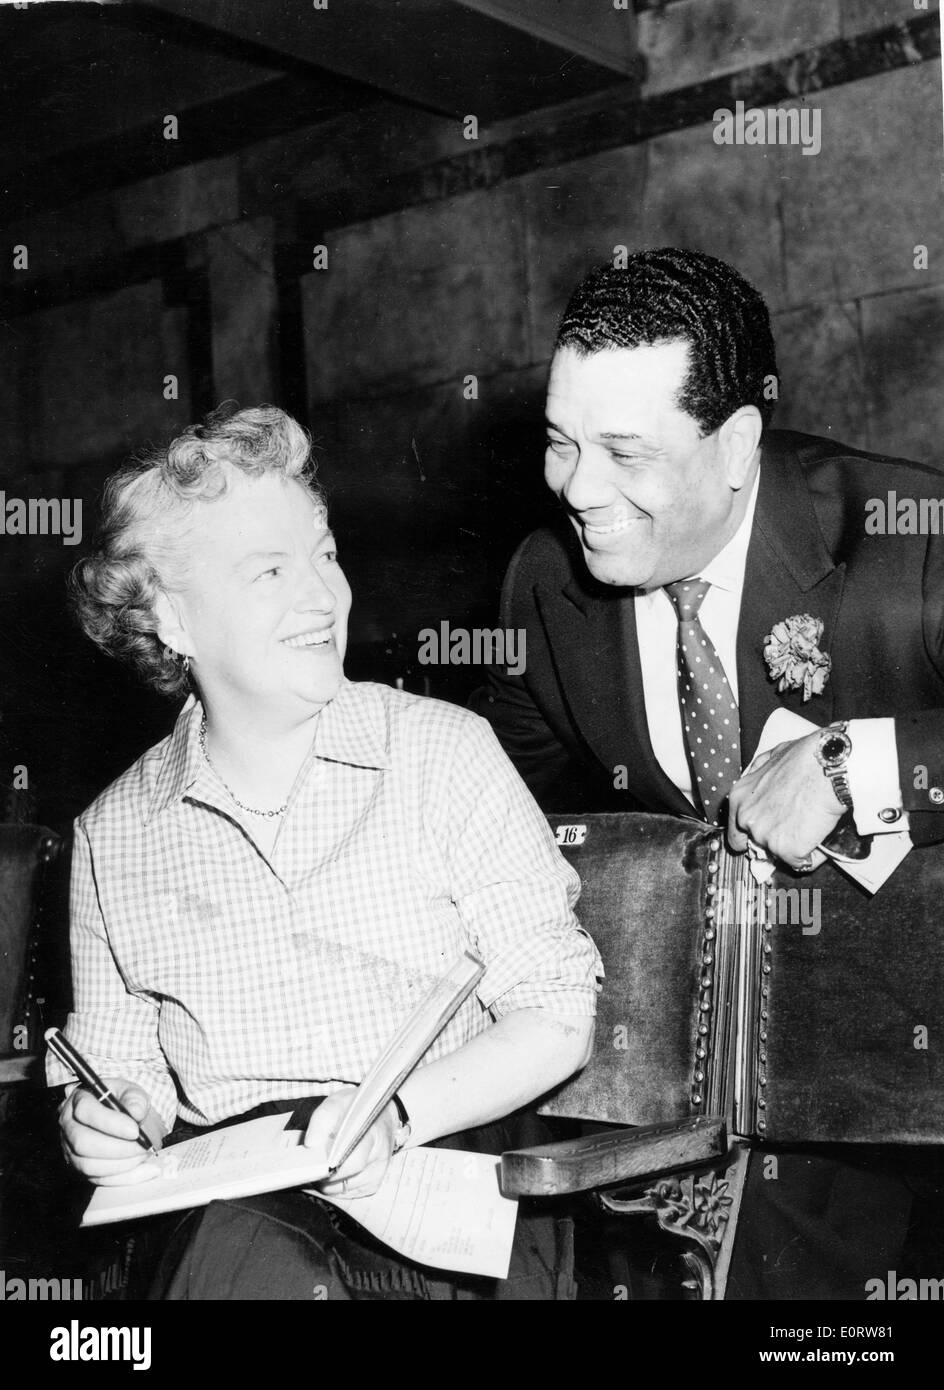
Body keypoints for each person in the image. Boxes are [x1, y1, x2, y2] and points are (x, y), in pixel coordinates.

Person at [48, 403, 602, 1301]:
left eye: (326, 553)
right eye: (270, 569)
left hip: (447, 1197)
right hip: (243, 1209)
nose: (324, 595)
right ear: (170, 620)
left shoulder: (441, 753)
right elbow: (124, 1071)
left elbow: (558, 1012)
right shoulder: (113, 837)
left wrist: (397, 1115)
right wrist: (111, 1120)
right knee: (246, 1256)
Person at [473, 247, 944, 1299]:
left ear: (735, 445)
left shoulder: (907, 540)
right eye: (559, 443)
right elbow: (498, 814)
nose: (575, 490)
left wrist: (855, 761)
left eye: (622, 453)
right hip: (729, 1102)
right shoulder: (545, 584)